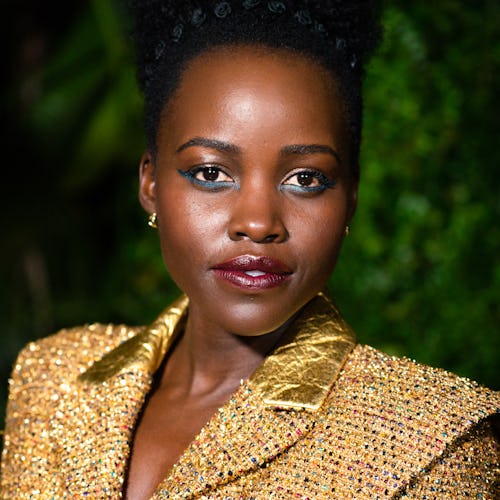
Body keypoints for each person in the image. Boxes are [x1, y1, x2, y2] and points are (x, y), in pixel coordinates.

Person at [1, 1, 499, 498]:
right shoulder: (52, 378)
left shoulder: (435, 450)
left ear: (349, 197)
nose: (258, 224)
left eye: (306, 179)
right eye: (211, 173)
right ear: (150, 182)